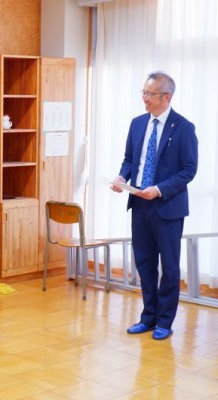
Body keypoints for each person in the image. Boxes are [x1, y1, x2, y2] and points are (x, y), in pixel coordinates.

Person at [111, 72, 198, 340]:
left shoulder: (183, 127)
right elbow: (130, 159)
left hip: (167, 207)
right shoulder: (137, 123)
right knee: (145, 264)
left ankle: (165, 321)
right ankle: (148, 317)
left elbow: (188, 170)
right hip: (139, 205)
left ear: (166, 97)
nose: (144, 98)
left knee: (169, 268)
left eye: (149, 94)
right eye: (144, 92)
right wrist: (122, 177)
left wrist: (159, 189)